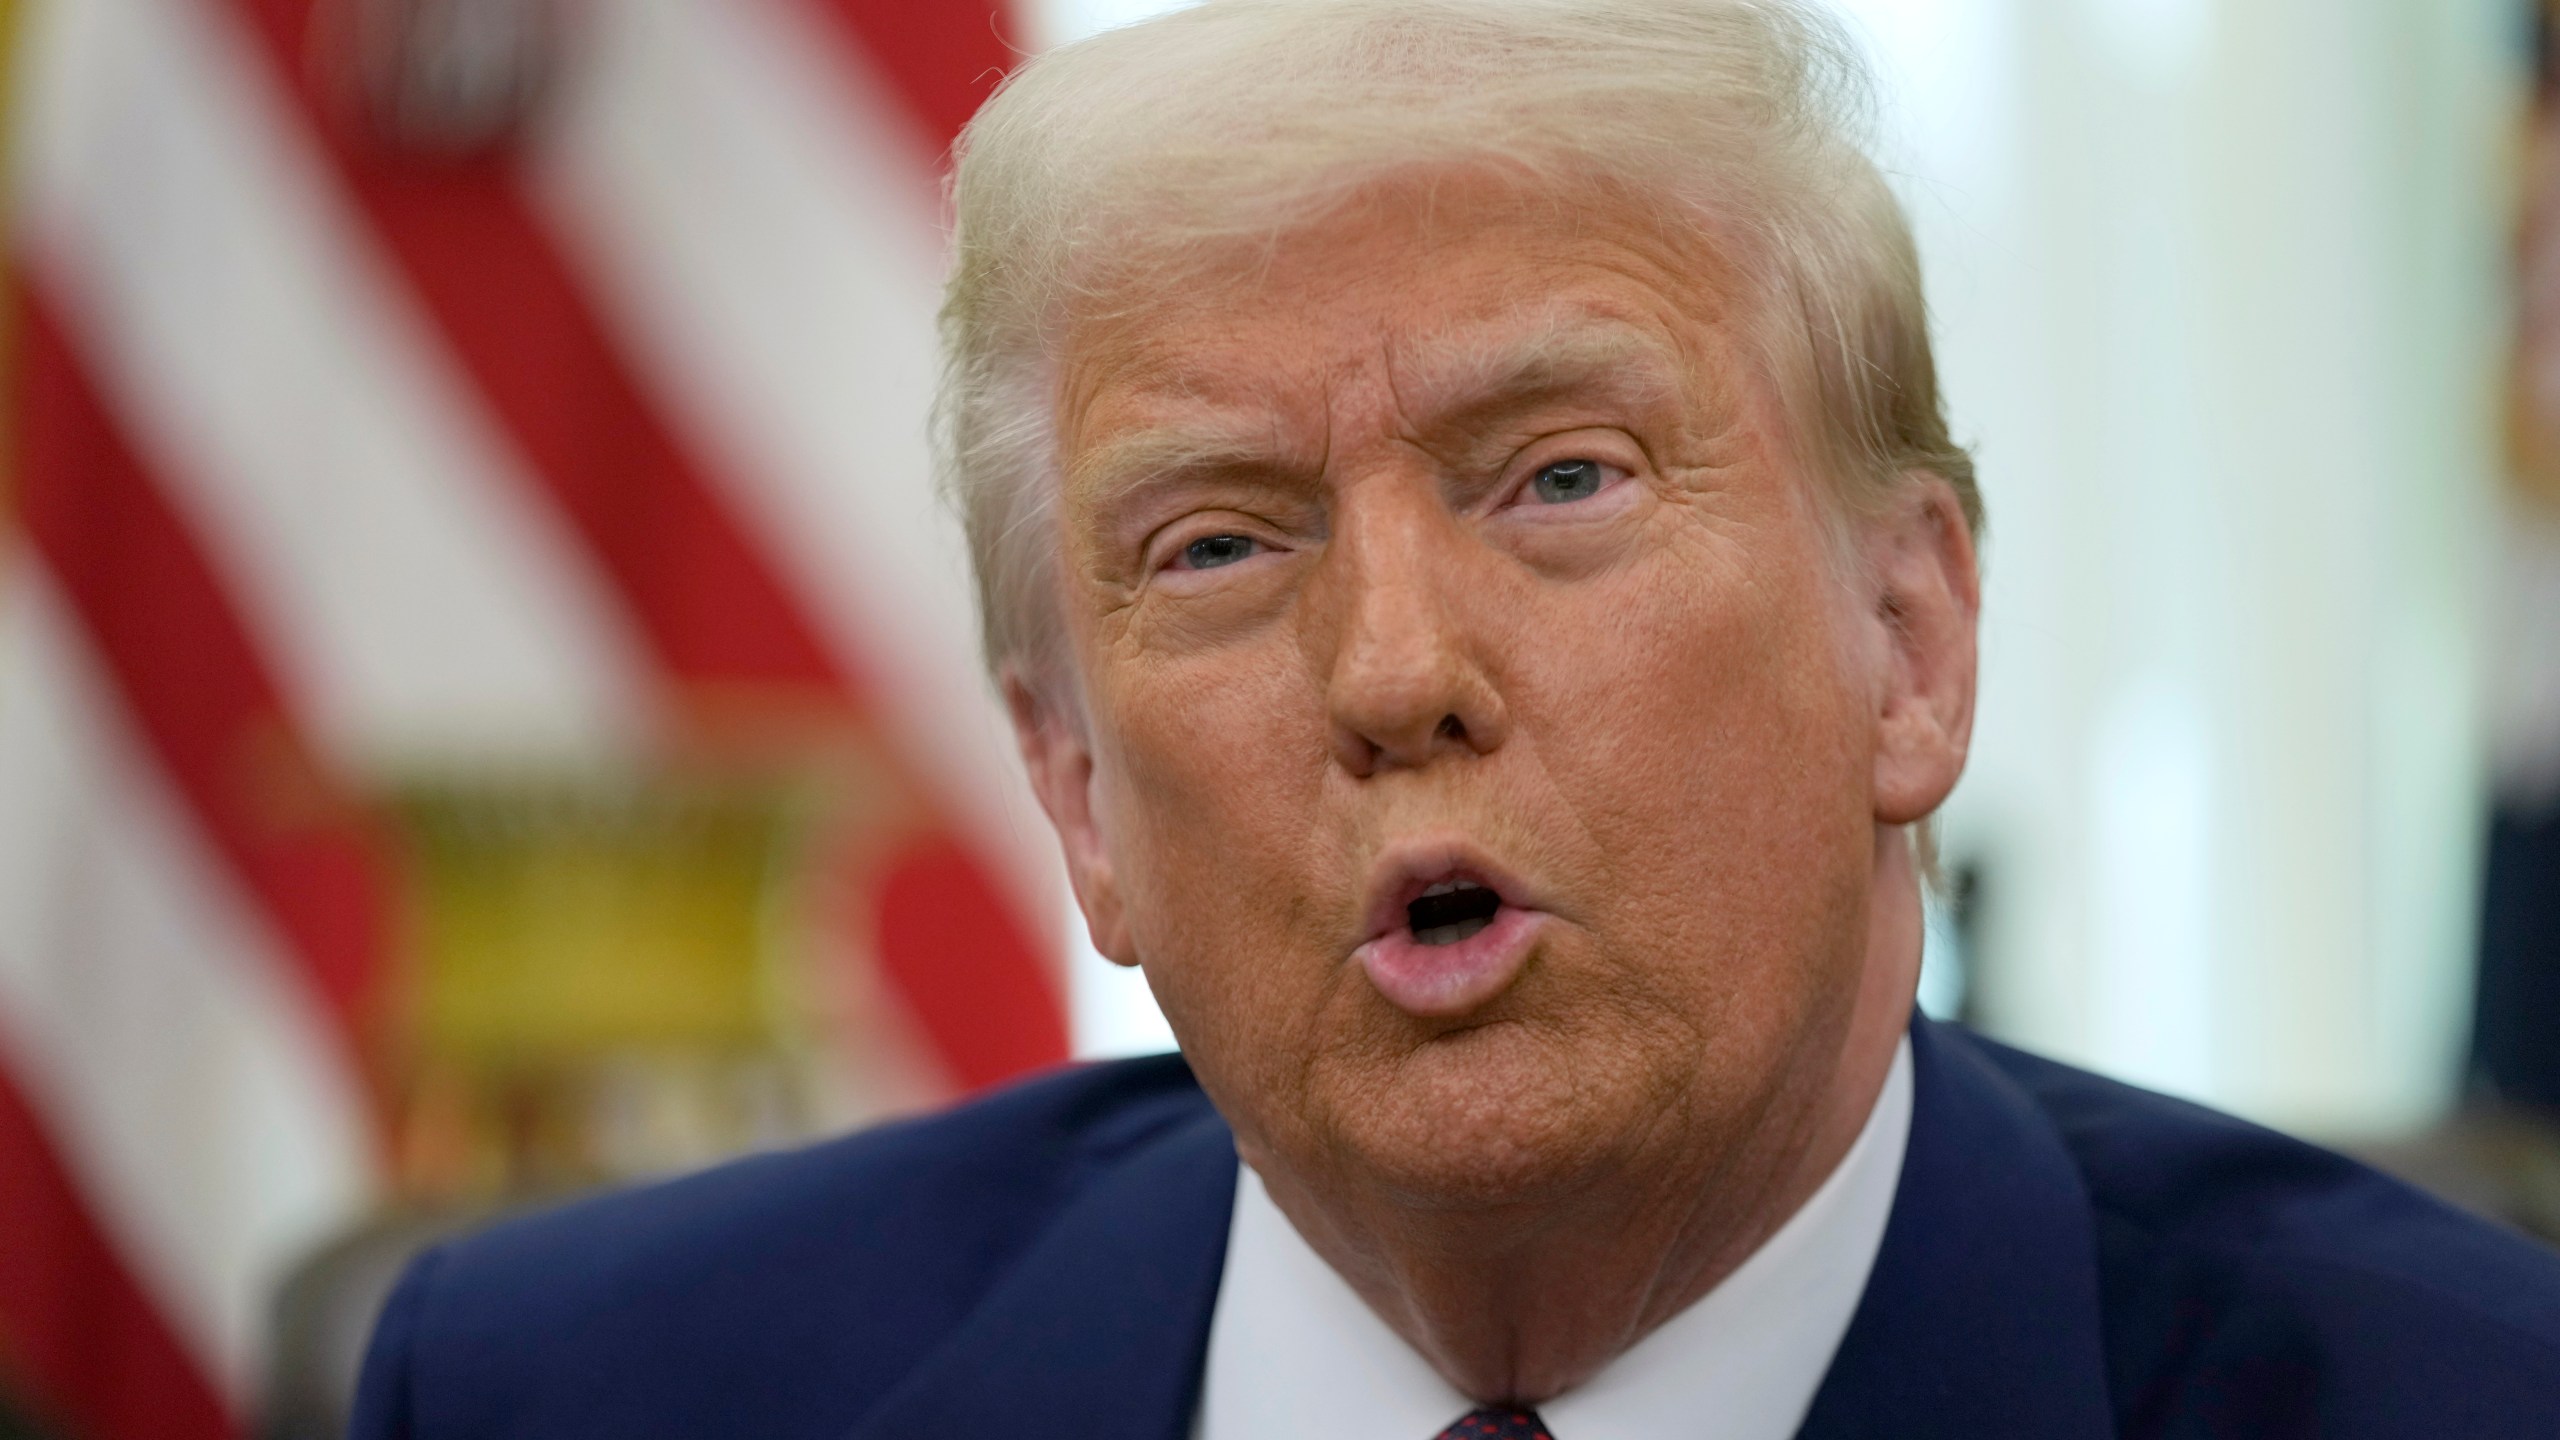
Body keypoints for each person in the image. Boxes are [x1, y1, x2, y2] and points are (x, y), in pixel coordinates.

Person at [349, 2, 2560, 1435]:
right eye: (1215, 545)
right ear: (1074, 793)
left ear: (1906, 643)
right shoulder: (578, 1396)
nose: (1394, 672)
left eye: (1560, 480)